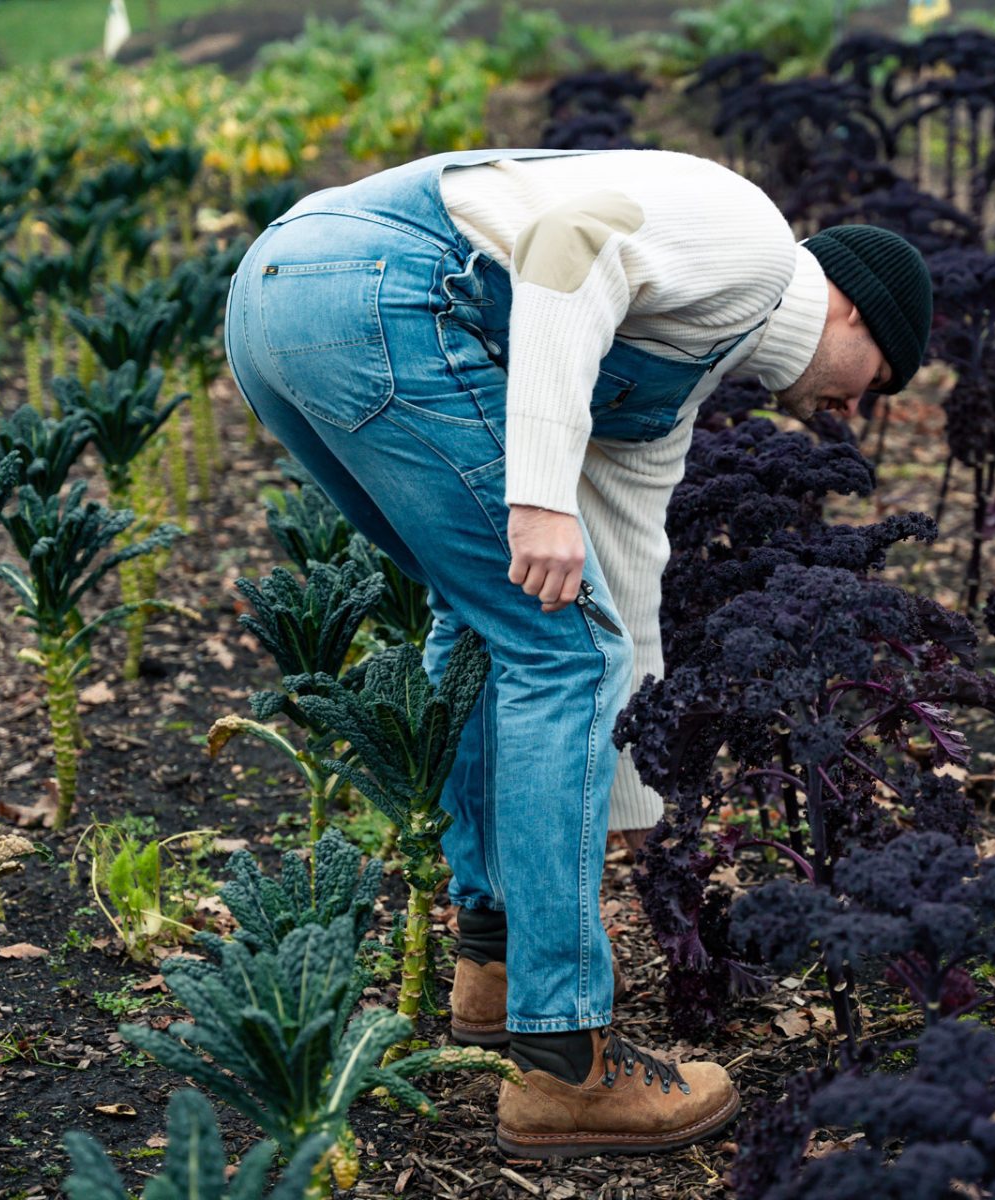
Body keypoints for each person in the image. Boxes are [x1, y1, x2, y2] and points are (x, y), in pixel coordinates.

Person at [222, 148, 932, 1158]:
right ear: (858, 313)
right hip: (375, 292)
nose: (855, 412)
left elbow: (629, 591)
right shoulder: (753, 244)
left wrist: (650, 832)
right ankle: (566, 1065)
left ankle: (495, 960)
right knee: (562, 655)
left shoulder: (675, 377)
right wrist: (543, 493)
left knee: (493, 621)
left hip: (281, 299)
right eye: (880, 383)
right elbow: (568, 245)